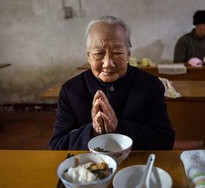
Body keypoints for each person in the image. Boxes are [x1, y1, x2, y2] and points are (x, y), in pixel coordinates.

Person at [49, 15, 175, 150]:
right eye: (98, 53)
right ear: (89, 56)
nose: (108, 63)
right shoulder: (71, 90)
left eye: (117, 52)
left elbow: (165, 140)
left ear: (128, 55)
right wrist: (93, 131)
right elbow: (57, 145)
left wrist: (118, 128)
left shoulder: (150, 85)